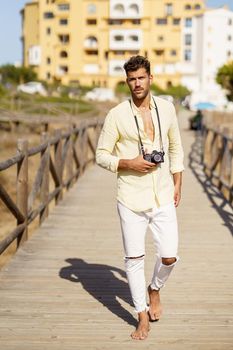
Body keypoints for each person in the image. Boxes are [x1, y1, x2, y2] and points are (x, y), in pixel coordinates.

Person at [96, 55, 184, 341]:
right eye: (132, 79)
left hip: (162, 194)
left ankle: (154, 288)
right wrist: (128, 163)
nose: (137, 83)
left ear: (150, 78)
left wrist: (178, 183)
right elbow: (101, 155)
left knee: (169, 256)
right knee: (134, 259)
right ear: (127, 82)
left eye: (141, 77)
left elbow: (175, 147)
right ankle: (141, 315)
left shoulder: (167, 109)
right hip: (131, 197)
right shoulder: (117, 115)